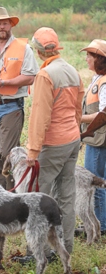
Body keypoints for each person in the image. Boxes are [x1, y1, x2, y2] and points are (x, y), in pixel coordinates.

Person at [26, 27, 85, 259]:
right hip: (72, 140)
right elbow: (78, 111)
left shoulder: (45, 75)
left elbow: (40, 116)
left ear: (39, 52)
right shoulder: (73, 71)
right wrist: (76, 135)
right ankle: (65, 247)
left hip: (52, 145)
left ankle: (38, 252)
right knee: (67, 197)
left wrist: (32, 150)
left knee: (39, 198)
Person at [0, 7, 39, 190]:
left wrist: (4, 83)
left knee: (8, 153)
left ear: (11, 25)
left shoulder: (23, 48)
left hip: (11, 107)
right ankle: (0, 190)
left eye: (5, 23)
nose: (2, 26)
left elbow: (30, 76)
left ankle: (14, 191)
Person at [80, 39, 106, 235]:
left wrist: (79, 120)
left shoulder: (104, 82)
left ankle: (101, 225)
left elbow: (104, 113)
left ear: (100, 59)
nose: (87, 58)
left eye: (90, 55)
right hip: (96, 137)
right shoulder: (97, 79)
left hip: (99, 139)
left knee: (95, 181)